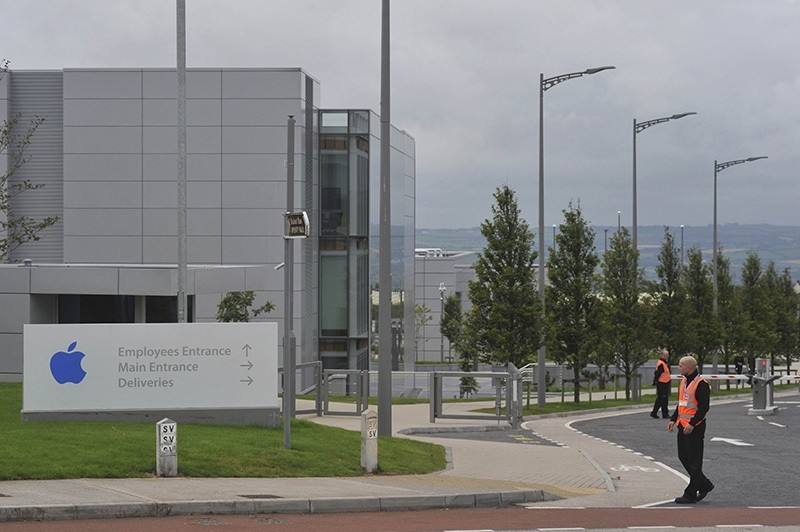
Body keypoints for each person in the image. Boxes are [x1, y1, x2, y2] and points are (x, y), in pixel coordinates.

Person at [668, 355, 714, 504]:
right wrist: (673, 419)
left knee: (695, 461)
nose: (679, 367)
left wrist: (693, 424)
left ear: (688, 367)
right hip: (683, 425)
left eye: (681, 365)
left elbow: (703, 408)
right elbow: (681, 404)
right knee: (683, 457)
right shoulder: (684, 381)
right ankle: (704, 484)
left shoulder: (701, 384)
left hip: (695, 427)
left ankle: (690, 493)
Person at [650, 349, 671, 419]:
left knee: (660, 399)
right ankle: (664, 413)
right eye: (666, 355)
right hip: (662, 383)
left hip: (664, 382)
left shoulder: (663, 363)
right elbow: (657, 373)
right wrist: (655, 381)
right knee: (663, 399)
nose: (667, 356)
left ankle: (654, 412)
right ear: (661, 355)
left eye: (667, 355)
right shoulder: (661, 363)